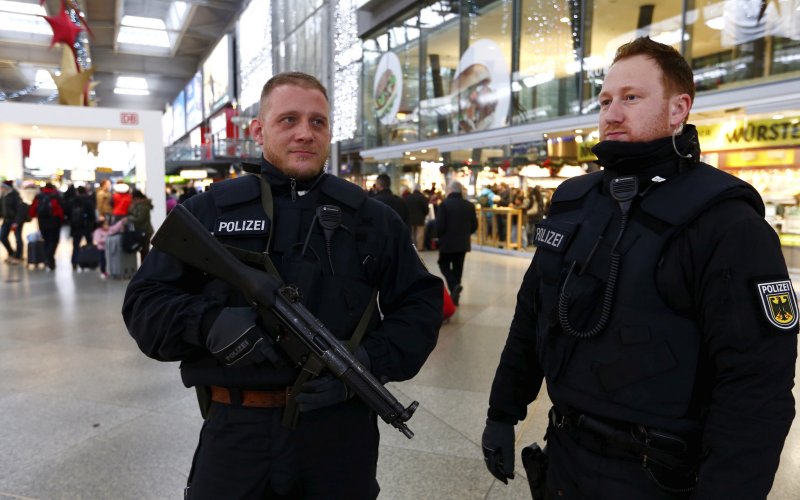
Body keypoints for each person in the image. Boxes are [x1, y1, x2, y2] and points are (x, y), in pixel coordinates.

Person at [482, 37, 797, 499]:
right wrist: (502, 412)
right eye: (606, 100)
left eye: (631, 98)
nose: (611, 113)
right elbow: (533, 316)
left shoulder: (726, 223)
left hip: (657, 476)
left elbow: (757, 388)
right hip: (565, 456)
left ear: (678, 109)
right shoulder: (575, 203)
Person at [122, 71, 442, 499]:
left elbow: (420, 306)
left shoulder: (372, 218)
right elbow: (144, 303)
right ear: (259, 130)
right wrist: (211, 324)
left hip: (340, 430)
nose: (304, 134)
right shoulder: (209, 211)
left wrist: (364, 360)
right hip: (237, 429)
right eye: (288, 120)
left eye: (317, 122)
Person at [436, 181, 477, 306]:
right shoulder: (469, 205)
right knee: (458, 268)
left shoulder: (444, 205)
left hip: (447, 243)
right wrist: (465, 234)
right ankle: (455, 296)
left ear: (451, 190)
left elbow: (440, 226)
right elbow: (475, 225)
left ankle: (454, 286)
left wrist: (439, 237)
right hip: (463, 243)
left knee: (443, 264)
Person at [29, 182, 65, 271]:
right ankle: (49, 258)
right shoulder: (56, 196)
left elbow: (33, 209)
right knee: (54, 241)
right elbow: (61, 210)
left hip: (42, 221)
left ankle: (49, 260)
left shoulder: (39, 196)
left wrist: (34, 216)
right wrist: (62, 219)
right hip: (54, 221)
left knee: (46, 240)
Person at [69, 185, 96, 271]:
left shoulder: (73, 201)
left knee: (76, 245)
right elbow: (92, 214)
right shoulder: (89, 200)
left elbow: (68, 213)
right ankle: (91, 261)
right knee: (89, 244)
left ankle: (74, 262)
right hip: (87, 226)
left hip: (76, 227)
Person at [0, 180, 26, 264]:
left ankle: (19, 256)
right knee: (2, 237)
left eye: (2, 187)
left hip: (15, 221)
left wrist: (16, 222)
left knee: (18, 238)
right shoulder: (3, 196)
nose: (1, 188)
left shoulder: (15, 195)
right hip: (6, 220)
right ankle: (11, 253)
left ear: (6, 187)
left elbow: (20, 210)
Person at [126, 189, 154, 261]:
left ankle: (146, 268)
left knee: (144, 251)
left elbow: (139, 219)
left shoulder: (143, 206)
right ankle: (144, 267)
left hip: (145, 231)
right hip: (142, 230)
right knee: (143, 250)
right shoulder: (138, 205)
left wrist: (129, 218)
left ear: (137, 198)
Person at [406, 184, 429, 251]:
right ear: (419, 189)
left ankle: (413, 247)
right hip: (420, 218)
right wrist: (424, 214)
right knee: (420, 234)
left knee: (412, 233)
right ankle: (419, 248)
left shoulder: (409, 197)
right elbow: (426, 209)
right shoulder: (422, 197)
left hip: (410, 218)